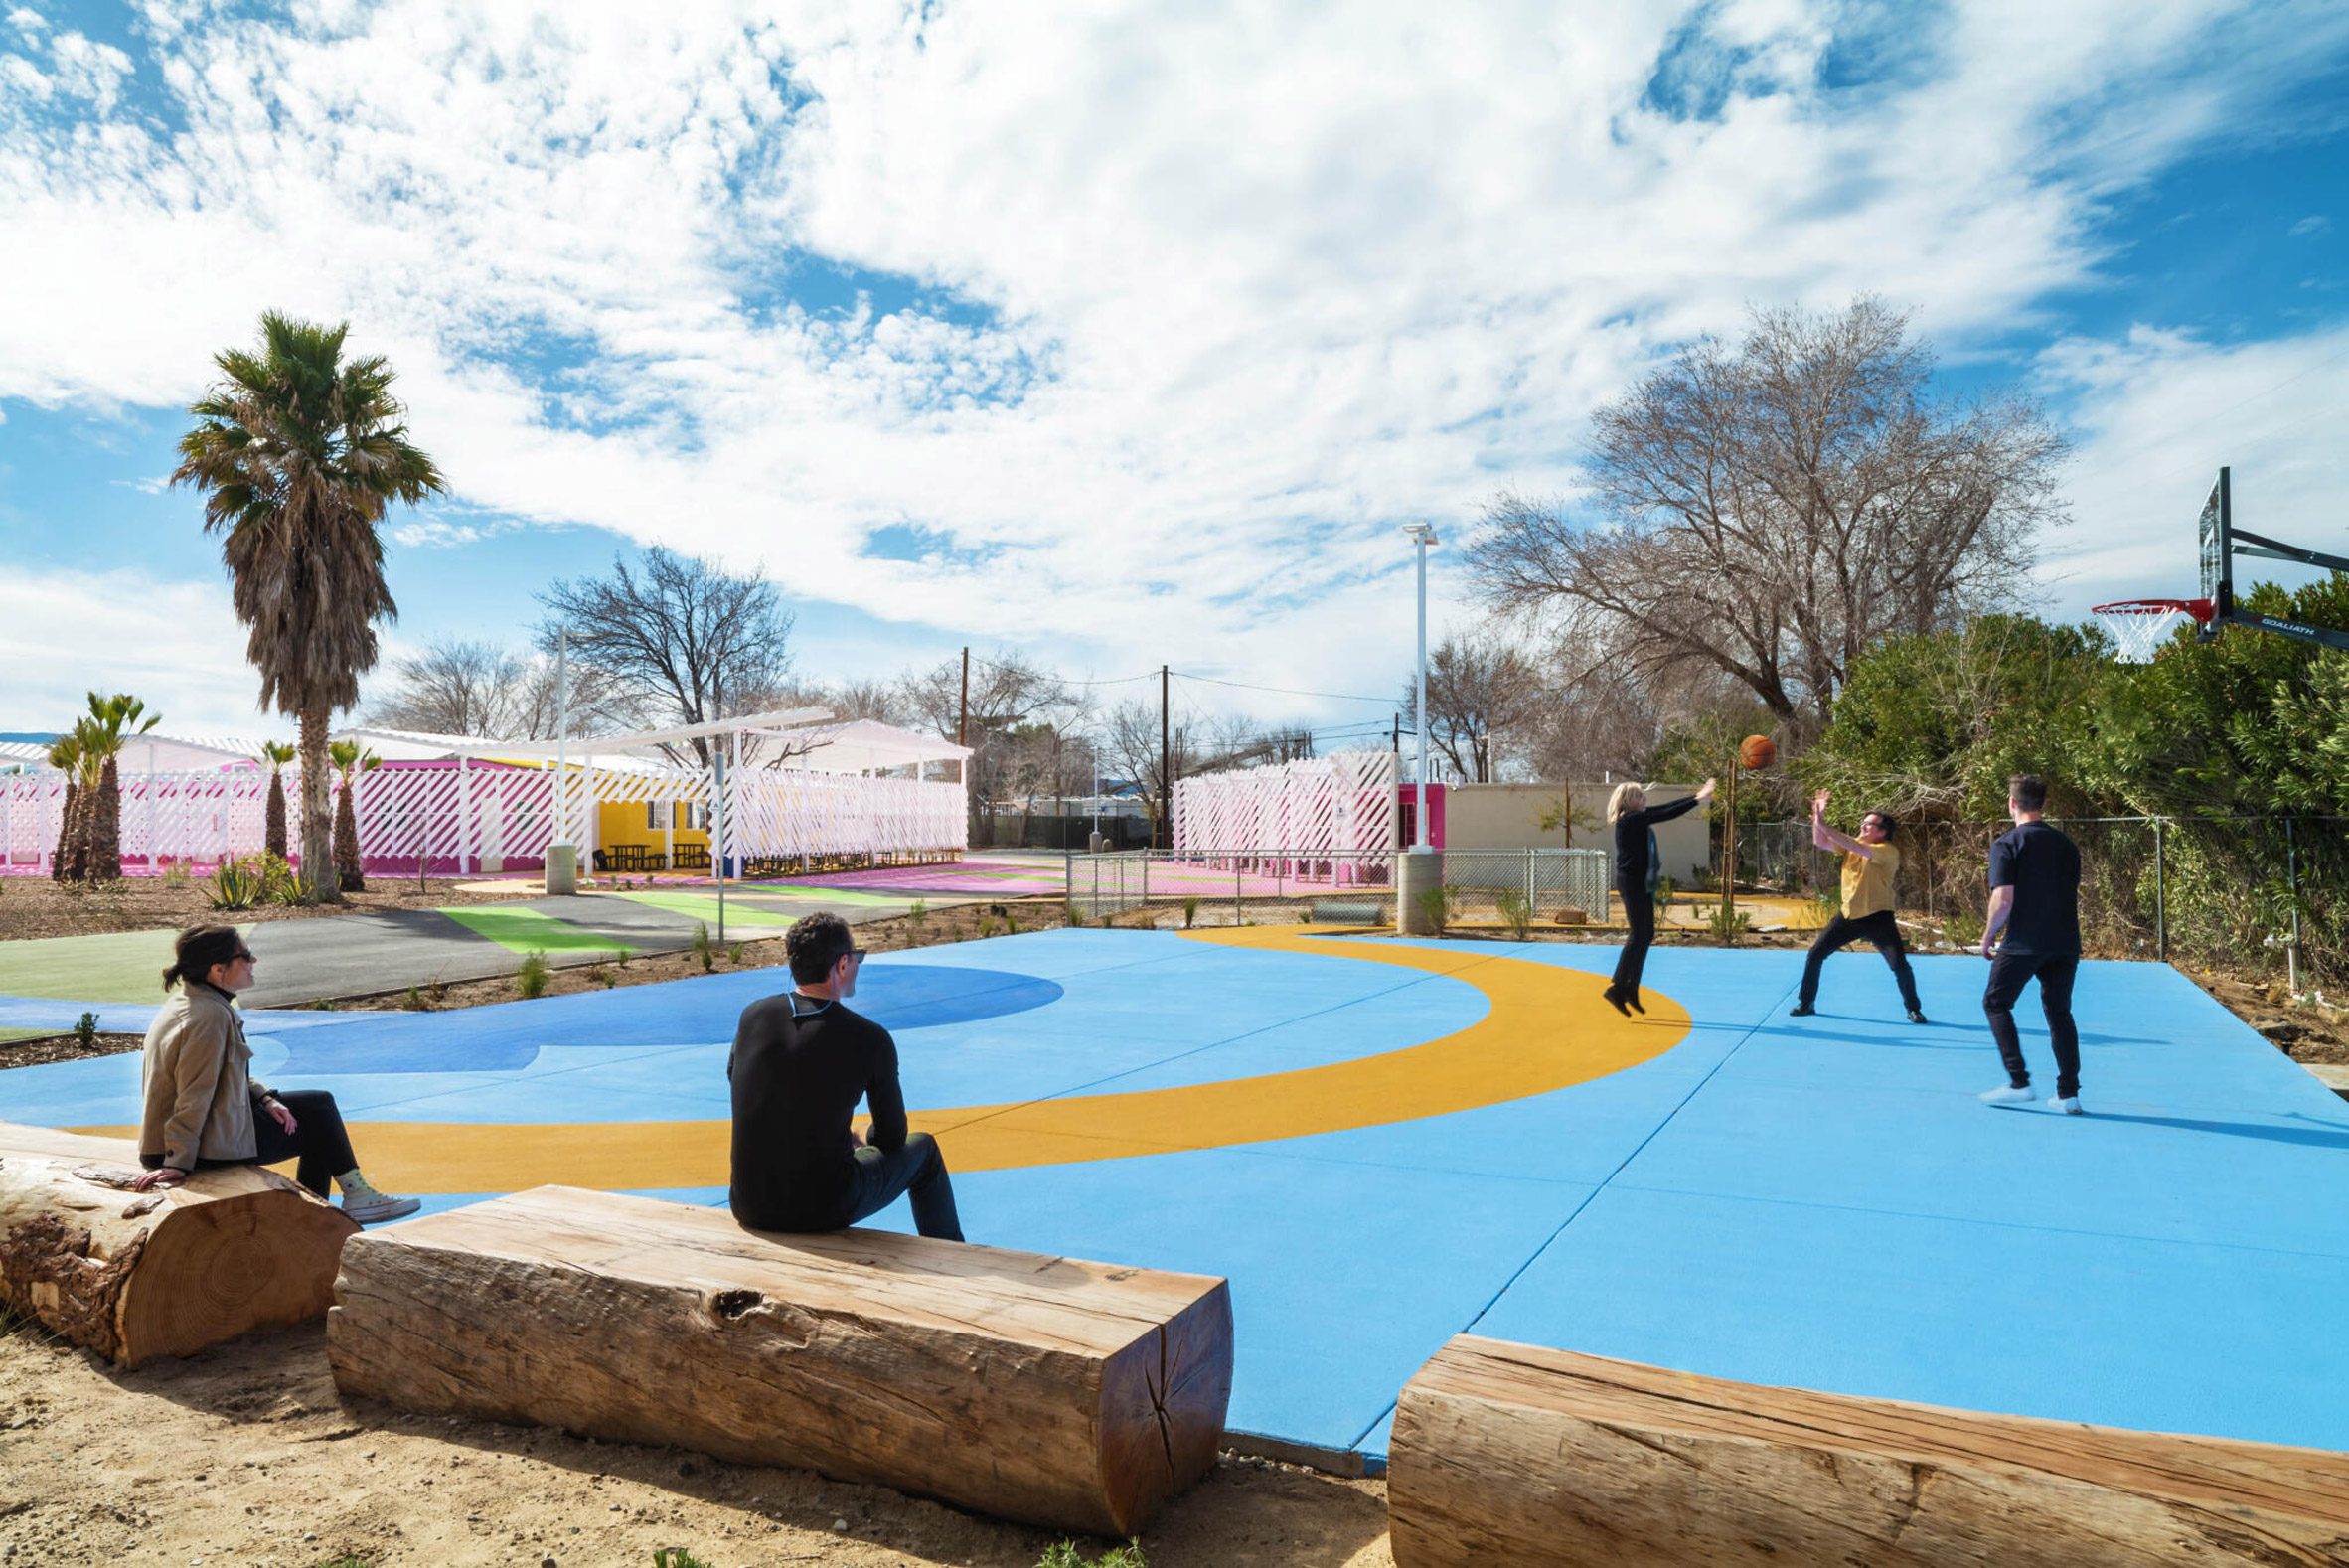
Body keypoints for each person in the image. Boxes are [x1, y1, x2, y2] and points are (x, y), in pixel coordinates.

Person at [132, 925, 420, 1222]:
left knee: (316, 1105)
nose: (253, 961)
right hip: (196, 1149)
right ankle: (320, 1217)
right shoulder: (209, 1016)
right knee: (318, 1123)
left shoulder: (195, 1002)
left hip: (194, 1137)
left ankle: (334, 1207)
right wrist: (177, 1160)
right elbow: (195, 1092)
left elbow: (225, 1073)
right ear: (218, 969)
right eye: (245, 955)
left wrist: (266, 1099)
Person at [728, 911, 964, 1241]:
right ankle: (952, 1253)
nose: (856, 966)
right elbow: (893, 1138)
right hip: (823, 1206)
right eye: (857, 958)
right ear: (841, 966)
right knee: (924, 1150)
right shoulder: (869, 1038)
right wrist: (859, 1138)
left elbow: (747, 1086)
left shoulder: (752, 1016)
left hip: (749, 1203)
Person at [1977, 775, 2084, 1114]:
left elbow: (2003, 898)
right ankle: (2069, 1094)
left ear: (2011, 803)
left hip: (2024, 942)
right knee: (2059, 1013)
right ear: (2043, 805)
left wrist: (1989, 933)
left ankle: (2019, 1082)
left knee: (1996, 1003)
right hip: (2065, 942)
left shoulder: (2007, 844)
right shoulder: (2066, 845)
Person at [1789, 792, 1927, 1024]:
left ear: (1882, 831)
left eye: (1869, 824)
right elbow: (1821, 842)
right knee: (1815, 955)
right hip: (1848, 915)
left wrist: (1823, 823)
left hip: (1878, 916)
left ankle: (1913, 1008)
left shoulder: (1887, 850)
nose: (1862, 825)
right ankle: (1806, 1003)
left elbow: (1854, 846)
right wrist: (1817, 820)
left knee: (1899, 964)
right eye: (1863, 822)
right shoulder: (1855, 844)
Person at [1603, 777, 1716, 1016]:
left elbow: (1663, 810)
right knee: (1638, 934)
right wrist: (1697, 798)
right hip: (1631, 882)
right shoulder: (1629, 820)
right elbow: (1666, 813)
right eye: (1639, 796)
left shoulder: (1636, 819)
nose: (1644, 799)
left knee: (1647, 934)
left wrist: (1697, 798)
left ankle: (1630, 988)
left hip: (1638, 881)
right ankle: (1617, 986)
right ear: (1628, 801)